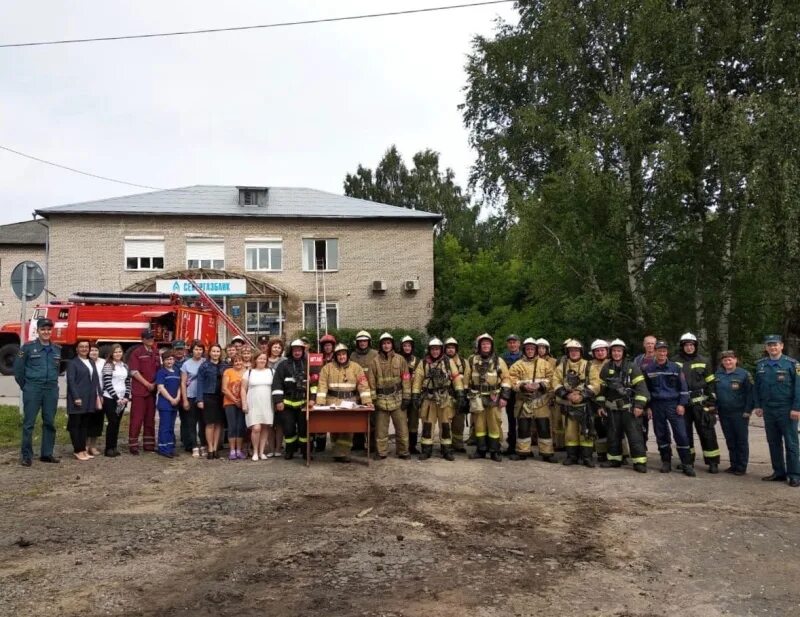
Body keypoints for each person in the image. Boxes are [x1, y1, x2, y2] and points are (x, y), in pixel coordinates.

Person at [753, 335, 800, 487]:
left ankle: (794, 474)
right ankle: (779, 472)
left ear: (782, 346)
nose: (773, 348)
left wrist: (796, 408)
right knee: (773, 442)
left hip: (787, 409)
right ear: (766, 348)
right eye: (770, 345)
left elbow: (798, 388)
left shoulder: (792, 364)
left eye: (776, 345)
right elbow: (757, 388)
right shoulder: (761, 365)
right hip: (768, 409)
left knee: (791, 443)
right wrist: (758, 406)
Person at [643, 340, 695, 476]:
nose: (662, 353)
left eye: (664, 350)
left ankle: (687, 464)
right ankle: (666, 461)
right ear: (654, 352)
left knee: (681, 434)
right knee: (661, 434)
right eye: (659, 350)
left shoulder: (675, 368)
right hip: (657, 405)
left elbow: (683, 388)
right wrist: (648, 407)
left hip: (673, 404)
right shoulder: (648, 369)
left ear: (667, 352)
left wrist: (682, 404)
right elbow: (646, 390)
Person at [15, 317, 62, 466]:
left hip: (51, 390)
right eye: (43, 329)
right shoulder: (27, 348)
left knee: (49, 422)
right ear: (38, 331)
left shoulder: (57, 349)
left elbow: (57, 369)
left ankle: (47, 454)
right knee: (29, 423)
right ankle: (26, 455)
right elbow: (18, 370)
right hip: (33, 389)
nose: (46, 332)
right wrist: (27, 387)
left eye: (49, 329)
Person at [316, 343, 373, 463]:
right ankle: (337, 451)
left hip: (350, 402)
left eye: (344, 354)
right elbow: (322, 386)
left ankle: (342, 453)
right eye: (339, 354)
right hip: (332, 402)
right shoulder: (327, 368)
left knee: (348, 427)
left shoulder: (356, 367)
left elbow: (363, 385)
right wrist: (320, 402)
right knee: (335, 427)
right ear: (335, 356)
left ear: (347, 355)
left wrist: (367, 401)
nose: (342, 357)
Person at [598, 339, 649, 473]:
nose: (616, 353)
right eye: (614, 351)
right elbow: (602, 390)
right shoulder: (606, 367)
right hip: (612, 409)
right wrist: (601, 406)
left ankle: (639, 462)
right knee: (613, 435)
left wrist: (639, 406)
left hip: (629, 409)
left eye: (619, 351)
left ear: (623, 352)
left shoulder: (632, 367)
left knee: (635, 436)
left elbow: (641, 388)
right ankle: (615, 459)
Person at [674, 332, 720, 473]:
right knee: (685, 435)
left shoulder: (704, 361)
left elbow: (711, 383)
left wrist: (711, 403)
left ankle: (713, 462)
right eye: (686, 345)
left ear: (695, 346)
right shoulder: (674, 362)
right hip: (683, 405)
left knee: (707, 433)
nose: (689, 348)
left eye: (691, 345)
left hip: (701, 405)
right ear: (682, 347)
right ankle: (688, 461)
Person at [411, 338, 465, 461]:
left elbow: (456, 378)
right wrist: (415, 395)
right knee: (427, 425)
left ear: (441, 350)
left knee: (445, 425)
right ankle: (426, 450)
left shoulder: (448, 362)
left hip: (444, 398)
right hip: (429, 399)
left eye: (437, 349)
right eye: (433, 349)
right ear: (429, 350)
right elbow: (418, 380)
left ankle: (446, 450)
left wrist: (460, 393)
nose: (435, 351)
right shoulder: (424, 363)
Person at [552, 339, 601, 467]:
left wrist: (582, 395)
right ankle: (571, 456)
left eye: (576, 350)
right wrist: (567, 395)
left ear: (581, 351)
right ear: (567, 352)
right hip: (568, 405)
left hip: (585, 406)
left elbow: (596, 384)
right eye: (571, 351)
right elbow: (555, 383)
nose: (574, 353)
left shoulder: (589, 366)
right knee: (570, 433)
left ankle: (587, 457)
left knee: (586, 432)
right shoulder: (561, 367)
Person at [464, 334, 511, 462]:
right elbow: (467, 378)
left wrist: (504, 396)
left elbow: (506, 379)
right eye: (483, 344)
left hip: (493, 397)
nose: (485, 346)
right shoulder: (472, 360)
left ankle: (494, 451)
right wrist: (464, 395)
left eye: (488, 344)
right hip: (477, 397)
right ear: (479, 346)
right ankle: (481, 450)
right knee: (479, 426)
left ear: (491, 346)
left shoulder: (498, 360)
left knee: (494, 424)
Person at [508, 337, 555, 462]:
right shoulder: (517, 365)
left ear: (536, 350)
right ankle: (523, 452)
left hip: (541, 401)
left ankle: (547, 453)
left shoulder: (545, 364)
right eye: (528, 349)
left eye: (532, 349)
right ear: (524, 350)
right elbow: (511, 380)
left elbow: (552, 379)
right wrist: (523, 386)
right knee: (523, 427)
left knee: (543, 427)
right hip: (524, 400)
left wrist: (541, 385)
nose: (530, 351)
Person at [367, 333, 411, 460]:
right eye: (384, 343)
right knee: (381, 430)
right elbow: (371, 381)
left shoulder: (400, 359)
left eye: (388, 343)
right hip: (381, 400)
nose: (386, 346)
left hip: (398, 398)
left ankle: (403, 451)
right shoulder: (374, 362)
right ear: (381, 345)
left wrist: (407, 397)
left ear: (392, 344)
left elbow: (406, 378)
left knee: (402, 429)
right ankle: (381, 452)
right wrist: (373, 399)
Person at [714, 350, 753, 475]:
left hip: (740, 413)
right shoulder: (718, 374)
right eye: (725, 360)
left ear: (736, 360)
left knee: (741, 440)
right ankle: (733, 464)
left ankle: (741, 467)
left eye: (730, 359)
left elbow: (751, 394)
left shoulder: (744, 374)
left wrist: (748, 410)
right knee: (730, 439)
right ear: (722, 362)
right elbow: (714, 392)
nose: (728, 361)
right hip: (724, 413)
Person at [66, 340, 103, 461]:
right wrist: (76, 397)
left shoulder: (91, 362)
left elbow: (96, 380)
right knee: (76, 425)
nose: (84, 349)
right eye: (81, 347)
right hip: (77, 399)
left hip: (89, 399)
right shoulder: (73, 363)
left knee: (84, 426)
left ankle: (83, 449)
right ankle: (77, 450)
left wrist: (99, 395)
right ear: (76, 349)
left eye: (86, 347)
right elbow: (71, 381)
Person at [272, 339, 309, 460]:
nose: (297, 352)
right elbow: (277, 384)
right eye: (295, 350)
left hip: (304, 403)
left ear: (303, 351)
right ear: (291, 351)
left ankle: (305, 451)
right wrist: (278, 401)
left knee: (304, 429)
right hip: (287, 403)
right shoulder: (283, 365)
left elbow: (314, 383)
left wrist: (312, 399)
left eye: (299, 350)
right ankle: (290, 450)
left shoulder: (308, 364)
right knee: (288, 428)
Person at [128, 329, 161, 454]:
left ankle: (149, 445)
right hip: (140, 390)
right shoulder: (137, 352)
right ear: (143, 340)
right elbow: (134, 372)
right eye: (148, 338)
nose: (150, 340)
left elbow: (160, 370)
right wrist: (147, 383)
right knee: (137, 418)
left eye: (152, 337)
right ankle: (134, 445)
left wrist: (155, 384)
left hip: (152, 391)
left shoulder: (156, 352)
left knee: (149, 419)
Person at [241, 351, 275, 461]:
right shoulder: (249, 372)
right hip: (253, 403)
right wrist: (244, 403)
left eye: (264, 359)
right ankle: (255, 451)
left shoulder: (271, 371)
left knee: (265, 427)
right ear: (255, 359)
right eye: (260, 358)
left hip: (267, 403)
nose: (262, 360)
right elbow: (243, 389)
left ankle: (261, 452)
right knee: (256, 428)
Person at [101, 344, 130, 457]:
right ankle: (108, 448)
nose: (118, 354)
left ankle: (114, 447)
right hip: (110, 398)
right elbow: (107, 383)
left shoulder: (125, 366)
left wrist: (126, 396)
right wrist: (116, 398)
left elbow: (127, 382)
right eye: (115, 352)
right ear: (111, 354)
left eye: (120, 352)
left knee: (117, 423)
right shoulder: (108, 365)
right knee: (112, 422)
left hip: (122, 399)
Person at [196, 343, 225, 459]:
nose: (216, 354)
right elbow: (199, 383)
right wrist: (199, 399)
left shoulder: (225, 366)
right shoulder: (204, 366)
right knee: (210, 424)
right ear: (209, 353)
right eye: (213, 351)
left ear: (220, 353)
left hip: (221, 398)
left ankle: (216, 447)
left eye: (218, 351)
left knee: (218, 423)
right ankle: (210, 448)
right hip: (208, 396)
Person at [350, 330, 377, 452]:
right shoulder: (352, 356)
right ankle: (358, 444)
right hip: (356, 392)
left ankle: (372, 445)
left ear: (369, 342)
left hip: (371, 391)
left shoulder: (375, 354)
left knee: (372, 420)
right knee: (356, 418)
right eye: (360, 341)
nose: (362, 343)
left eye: (365, 341)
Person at [181, 341, 207, 457]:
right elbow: (182, 383)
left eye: (200, 349)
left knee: (203, 422)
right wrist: (185, 399)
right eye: (196, 349)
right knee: (191, 422)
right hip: (191, 395)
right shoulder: (186, 364)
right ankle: (194, 445)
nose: (198, 352)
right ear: (192, 350)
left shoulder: (205, 362)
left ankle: (203, 444)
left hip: (203, 396)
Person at [536, 338, 563, 450]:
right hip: (537, 393)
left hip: (551, 394)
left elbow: (556, 378)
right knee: (539, 420)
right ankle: (539, 442)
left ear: (547, 349)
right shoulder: (532, 361)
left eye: (543, 348)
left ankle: (558, 443)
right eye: (539, 348)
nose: (541, 350)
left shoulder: (554, 361)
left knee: (554, 419)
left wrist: (553, 393)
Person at [444, 337, 469, 453]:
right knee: (445, 422)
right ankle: (446, 445)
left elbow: (468, 379)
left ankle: (458, 444)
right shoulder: (441, 362)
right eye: (448, 347)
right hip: (446, 396)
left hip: (460, 396)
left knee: (459, 422)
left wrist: (465, 397)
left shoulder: (464, 363)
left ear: (456, 349)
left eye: (452, 347)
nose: (450, 350)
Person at [155, 351, 181, 458]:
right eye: (167, 359)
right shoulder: (161, 372)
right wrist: (171, 399)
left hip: (175, 403)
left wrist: (178, 398)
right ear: (163, 361)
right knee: (164, 426)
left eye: (171, 359)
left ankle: (171, 447)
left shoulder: (176, 371)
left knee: (171, 426)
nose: (170, 361)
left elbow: (180, 386)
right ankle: (163, 448)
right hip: (165, 403)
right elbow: (161, 388)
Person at [589, 339, 610, 465]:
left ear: (607, 351)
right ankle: (602, 453)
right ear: (593, 353)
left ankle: (621, 453)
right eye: (597, 351)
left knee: (615, 428)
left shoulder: (613, 363)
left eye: (602, 350)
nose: (600, 353)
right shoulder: (589, 365)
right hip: (595, 401)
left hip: (612, 400)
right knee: (599, 427)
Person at [634, 335, 658, 449]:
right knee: (641, 425)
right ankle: (642, 447)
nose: (650, 345)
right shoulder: (638, 360)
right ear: (644, 345)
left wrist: (651, 406)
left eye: (652, 343)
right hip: (640, 397)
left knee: (660, 428)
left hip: (655, 398)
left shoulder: (660, 359)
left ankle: (665, 454)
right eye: (648, 343)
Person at [222, 355, 247, 460]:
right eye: (236, 361)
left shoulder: (247, 372)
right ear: (232, 362)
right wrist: (234, 400)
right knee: (232, 426)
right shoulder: (228, 372)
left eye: (240, 361)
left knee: (240, 427)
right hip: (230, 402)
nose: (238, 363)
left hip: (243, 402)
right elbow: (224, 388)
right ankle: (232, 450)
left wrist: (242, 401)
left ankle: (239, 450)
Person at [501, 335, 522, 455]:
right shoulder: (503, 358)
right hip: (510, 394)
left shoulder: (524, 357)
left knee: (524, 421)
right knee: (511, 420)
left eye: (514, 342)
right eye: (510, 343)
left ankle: (523, 447)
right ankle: (511, 446)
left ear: (519, 344)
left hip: (522, 393)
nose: (512, 345)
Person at [400, 335, 421, 453]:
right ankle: (403, 445)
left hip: (414, 395)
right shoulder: (397, 359)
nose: (407, 348)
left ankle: (412, 446)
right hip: (400, 395)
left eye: (409, 346)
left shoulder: (417, 361)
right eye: (405, 345)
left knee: (413, 422)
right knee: (401, 422)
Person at [266, 338, 285, 457]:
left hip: (279, 394)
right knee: (269, 424)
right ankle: (270, 448)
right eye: (274, 347)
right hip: (265, 394)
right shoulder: (264, 359)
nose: (276, 349)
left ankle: (278, 448)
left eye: (279, 347)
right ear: (270, 347)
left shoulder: (284, 361)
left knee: (278, 424)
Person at [86, 343, 105, 456]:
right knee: (87, 421)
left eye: (96, 350)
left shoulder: (103, 362)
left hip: (100, 396)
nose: (94, 352)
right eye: (92, 350)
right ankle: (85, 446)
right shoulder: (84, 362)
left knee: (97, 422)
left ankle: (93, 446)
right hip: (87, 396)